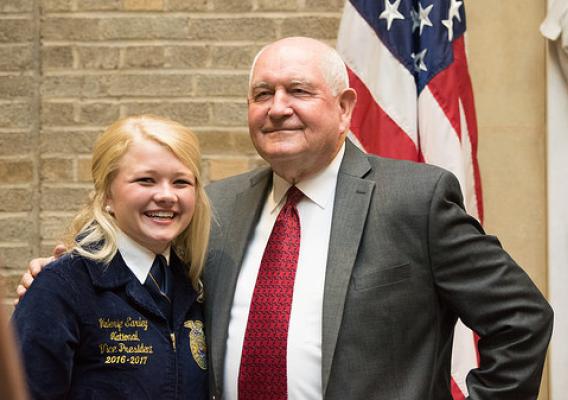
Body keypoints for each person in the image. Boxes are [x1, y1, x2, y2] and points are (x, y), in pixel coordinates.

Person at [20, 37, 553, 400]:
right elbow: (139, 266)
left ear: (344, 109)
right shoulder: (216, 207)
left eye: (298, 91)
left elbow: (521, 319)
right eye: (262, 94)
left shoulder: (417, 198)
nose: (277, 108)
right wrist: (61, 276)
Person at [12, 115, 211, 399]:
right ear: (107, 194)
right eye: (146, 180)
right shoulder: (61, 288)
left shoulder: (194, 286)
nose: (167, 195)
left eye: (181, 182)